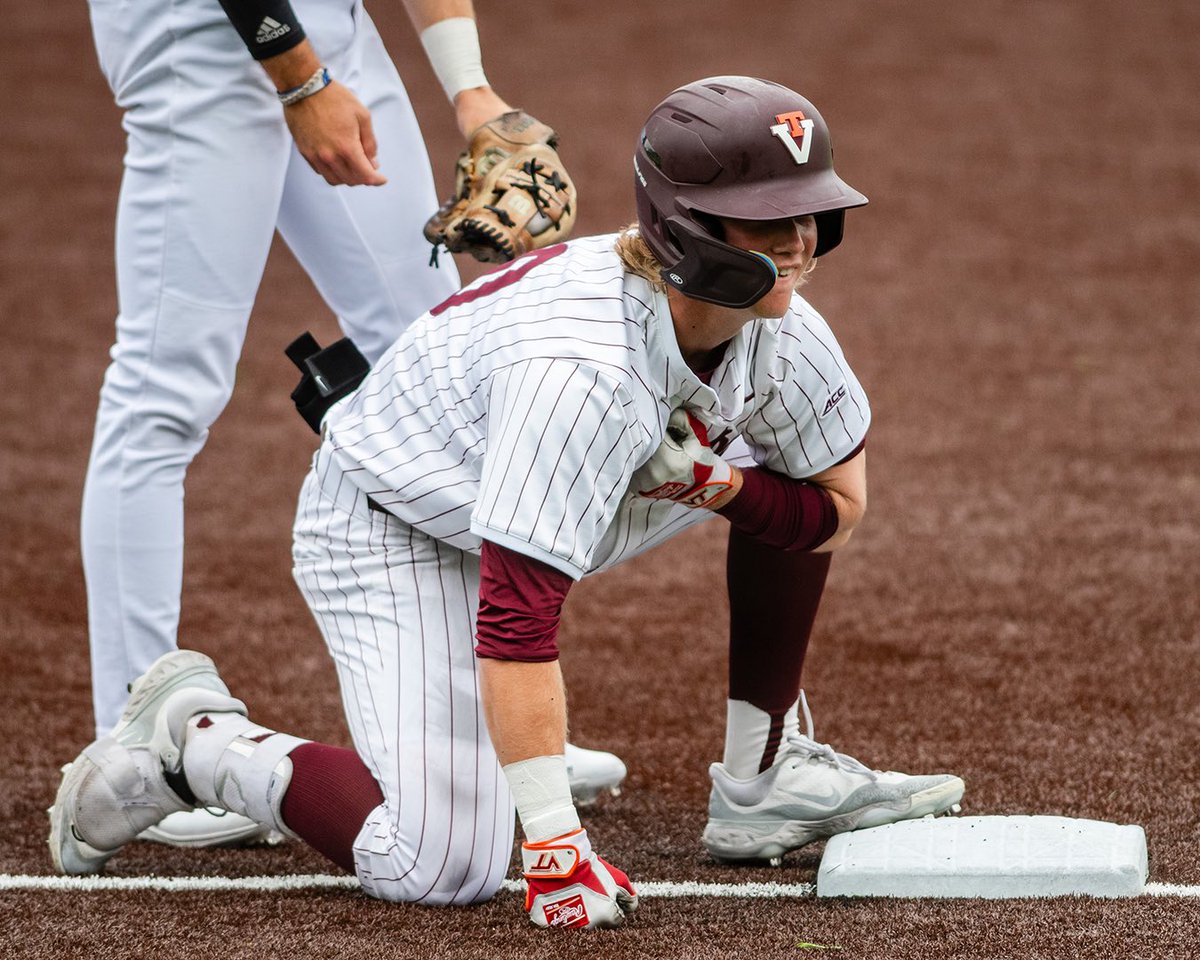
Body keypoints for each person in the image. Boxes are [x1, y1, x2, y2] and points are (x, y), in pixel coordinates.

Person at [51, 76, 965, 928]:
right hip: (394, 526)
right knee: (442, 868)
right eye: (764, 222)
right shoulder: (582, 371)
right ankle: (196, 743)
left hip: (525, 484)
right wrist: (556, 846)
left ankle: (763, 777)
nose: (801, 243)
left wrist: (718, 485)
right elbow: (518, 618)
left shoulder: (787, 335)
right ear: (686, 227)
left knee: (781, 468)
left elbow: (836, 507)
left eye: (808, 214)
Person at [79, 0, 624, 847]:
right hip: (202, 39)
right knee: (165, 391)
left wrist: (471, 87)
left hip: (332, 34)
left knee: (446, 351)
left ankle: (485, 732)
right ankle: (131, 750)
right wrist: (298, 78)